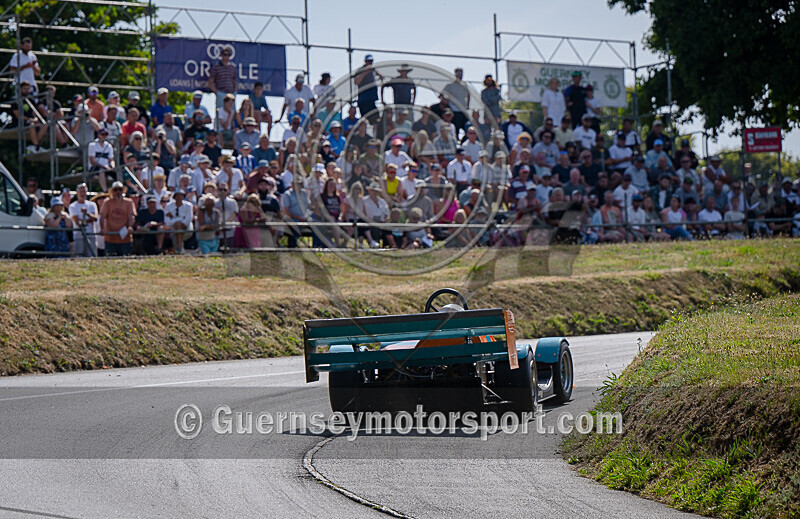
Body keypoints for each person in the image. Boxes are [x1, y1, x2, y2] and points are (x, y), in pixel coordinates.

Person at [100, 181, 136, 256]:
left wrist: (130, 226)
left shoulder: (129, 202)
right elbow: (102, 216)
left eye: (120, 190)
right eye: (115, 190)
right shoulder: (107, 202)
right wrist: (102, 228)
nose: (118, 192)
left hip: (125, 238)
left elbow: (131, 216)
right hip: (110, 238)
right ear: (112, 191)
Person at [68, 183, 99, 257]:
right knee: (79, 255)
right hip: (79, 235)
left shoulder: (92, 205)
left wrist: (87, 214)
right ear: (77, 193)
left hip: (91, 234)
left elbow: (95, 218)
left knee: (92, 255)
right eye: (81, 191)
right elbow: (77, 221)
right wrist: (88, 220)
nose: (82, 194)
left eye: (84, 191)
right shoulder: (72, 206)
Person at [163, 188, 193, 253]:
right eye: (177, 195)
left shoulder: (188, 205)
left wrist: (174, 218)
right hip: (173, 228)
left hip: (187, 228)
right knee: (177, 227)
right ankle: (179, 250)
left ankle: (179, 248)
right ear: (174, 197)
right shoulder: (168, 206)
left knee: (178, 226)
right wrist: (180, 219)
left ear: (183, 196)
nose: (179, 197)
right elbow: (167, 222)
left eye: (181, 195)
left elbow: (188, 219)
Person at [354, 55, 383, 123]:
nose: (369, 63)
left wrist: (380, 76)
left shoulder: (373, 70)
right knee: (365, 120)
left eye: (371, 61)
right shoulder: (360, 70)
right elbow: (356, 82)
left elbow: (380, 76)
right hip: (364, 99)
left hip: (372, 99)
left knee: (376, 119)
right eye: (368, 61)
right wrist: (365, 72)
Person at [87, 128, 115, 192]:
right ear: (98, 135)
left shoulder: (109, 146)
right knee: (101, 171)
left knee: (118, 171)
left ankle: (116, 189)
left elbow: (111, 159)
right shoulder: (92, 145)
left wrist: (113, 167)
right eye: (103, 134)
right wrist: (104, 166)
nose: (104, 136)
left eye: (106, 134)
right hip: (94, 168)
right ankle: (105, 190)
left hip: (107, 167)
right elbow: (92, 161)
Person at [443, 67, 469, 132]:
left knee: (467, 128)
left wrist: (467, 106)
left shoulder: (464, 85)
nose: (460, 75)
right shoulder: (450, 85)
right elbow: (441, 94)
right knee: (456, 129)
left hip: (463, 110)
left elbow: (468, 95)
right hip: (454, 110)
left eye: (461, 74)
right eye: (458, 73)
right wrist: (446, 102)